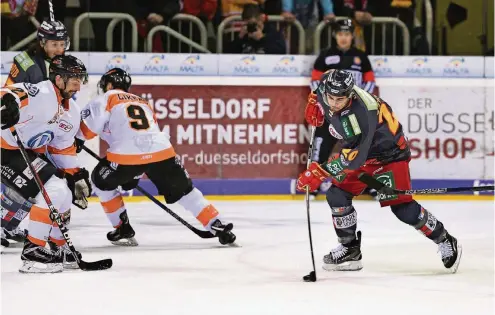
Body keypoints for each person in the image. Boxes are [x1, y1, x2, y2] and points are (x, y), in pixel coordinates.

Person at [297, 70, 462, 273]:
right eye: (330, 97)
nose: (333, 103)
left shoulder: (362, 115)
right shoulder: (328, 85)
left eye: (339, 99)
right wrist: (313, 100)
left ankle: (444, 238)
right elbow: (323, 82)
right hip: (363, 154)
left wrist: (320, 172)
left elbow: (355, 159)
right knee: (337, 194)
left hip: (390, 156)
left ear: (350, 94)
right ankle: (350, 249)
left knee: (403, 209)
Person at [75, 68, 236, 246]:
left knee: (100, 181)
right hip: (163, 152)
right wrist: (134, 173)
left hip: (126, 158)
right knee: (185, 191)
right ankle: (216, 223)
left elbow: (86, 131)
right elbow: (145, 137)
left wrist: (77, 140)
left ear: (110, 84)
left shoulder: (107, 98)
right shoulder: (143, 102)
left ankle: (121, 227)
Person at [0, 55, 92, 273]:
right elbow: (8, 93)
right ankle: (33, 253)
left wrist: (75, 176)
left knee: (65, 190)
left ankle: (60, 248)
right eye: (73, 78)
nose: (78, 83)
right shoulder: (41, 92)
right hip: (4, 150)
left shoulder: (73, 112)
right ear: (58, 79)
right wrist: (7, 104)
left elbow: (63, 149)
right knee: (54, 188)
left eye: (81, 78)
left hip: (25, 154)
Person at [1, 19, 70, 247]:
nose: (58, 49)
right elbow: (10, 95)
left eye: (62, 44)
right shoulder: (28, 63)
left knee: (35, 183)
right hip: (16, 129)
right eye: (53, 44)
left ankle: (8, 225)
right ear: (42, 42)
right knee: (26, 182)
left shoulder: (58, 64)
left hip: (35, 132)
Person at [309, 18, 377, 199]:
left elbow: (369, 82)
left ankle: (371, 186)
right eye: (340, 34)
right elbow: (315, 81)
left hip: (355, 114)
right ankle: (314, 184)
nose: (344, 38)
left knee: (364, 149)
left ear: (352, 36)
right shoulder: (325, 56)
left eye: (347, 34)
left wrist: (360, 103)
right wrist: (325, 103)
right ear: (335, 36)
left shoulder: (361, 57)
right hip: (330, 112)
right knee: (321, 147)